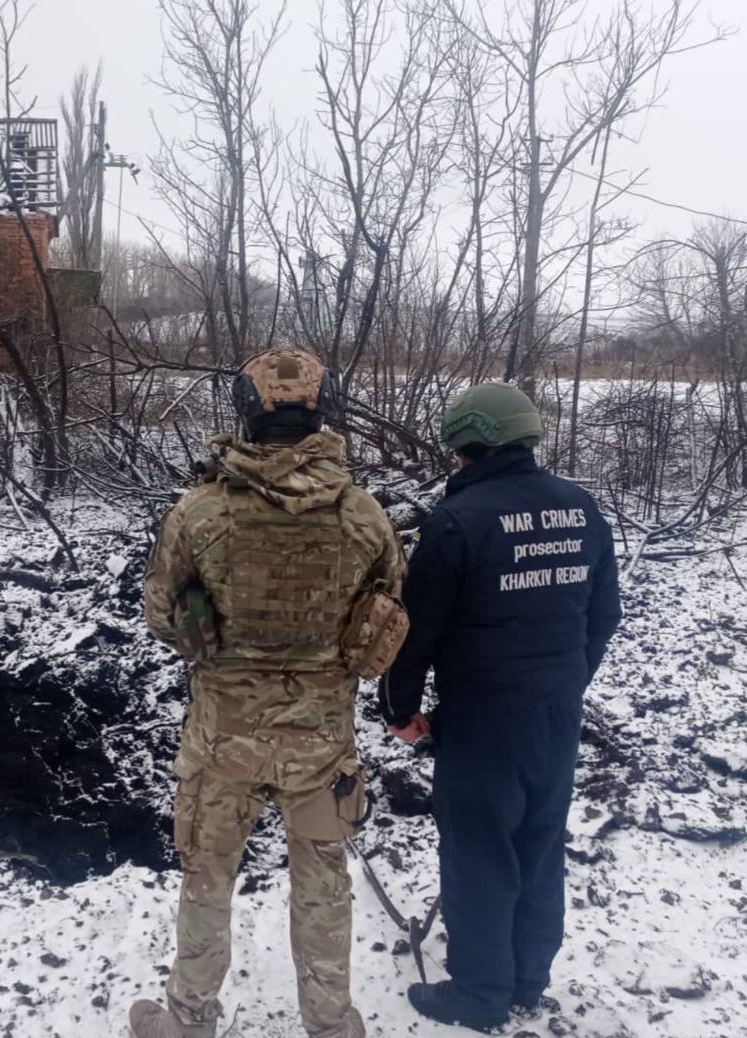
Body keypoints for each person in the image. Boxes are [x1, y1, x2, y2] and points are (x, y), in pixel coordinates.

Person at [131, 347, 405, 1038]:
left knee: (208, 880)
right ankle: (333, 1025)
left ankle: (189, 1021)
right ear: (324, 409)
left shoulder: (198, 511)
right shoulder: (365, 515)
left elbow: (162, 613)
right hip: (321, 741)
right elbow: (386, 614)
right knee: (323, 887)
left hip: (224, 739)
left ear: (245, 412)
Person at [382, 382, 622, 1033]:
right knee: (539, 844)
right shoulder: (581, 508)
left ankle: (480, 994)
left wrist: (400, 710)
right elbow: (604, 616)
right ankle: (525, 980)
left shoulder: (458, 521)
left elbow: (415, 631)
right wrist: (567, 684)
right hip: (555, 719)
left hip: (482, 723)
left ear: (466, 445)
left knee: (480, 852)